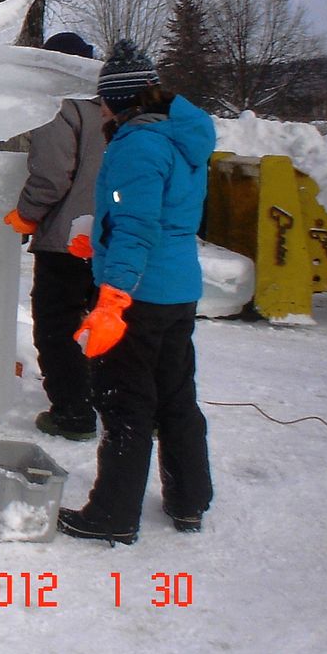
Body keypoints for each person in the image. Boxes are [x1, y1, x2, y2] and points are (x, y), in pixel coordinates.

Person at [57, 40, 216, 545]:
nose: (100, 106)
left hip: (139, 296)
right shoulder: (180, 137)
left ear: (119, 100)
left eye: (103, 98)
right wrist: (98, 243)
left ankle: (113, 514)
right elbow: (157, 219)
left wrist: (113, 297)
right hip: (176, 289)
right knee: (175, 397)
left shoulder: (137, 146)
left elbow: (136, 226)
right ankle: (189, 501)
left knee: (126, 402)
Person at [3, 32, 104, 441]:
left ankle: (73, 414)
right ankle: (116, 402)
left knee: (56, 325)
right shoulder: (115, 104)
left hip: (68, 238)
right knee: (106, 322)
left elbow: (50, 174)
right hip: (112, 236)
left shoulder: (60, 105)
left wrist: (27, 215)